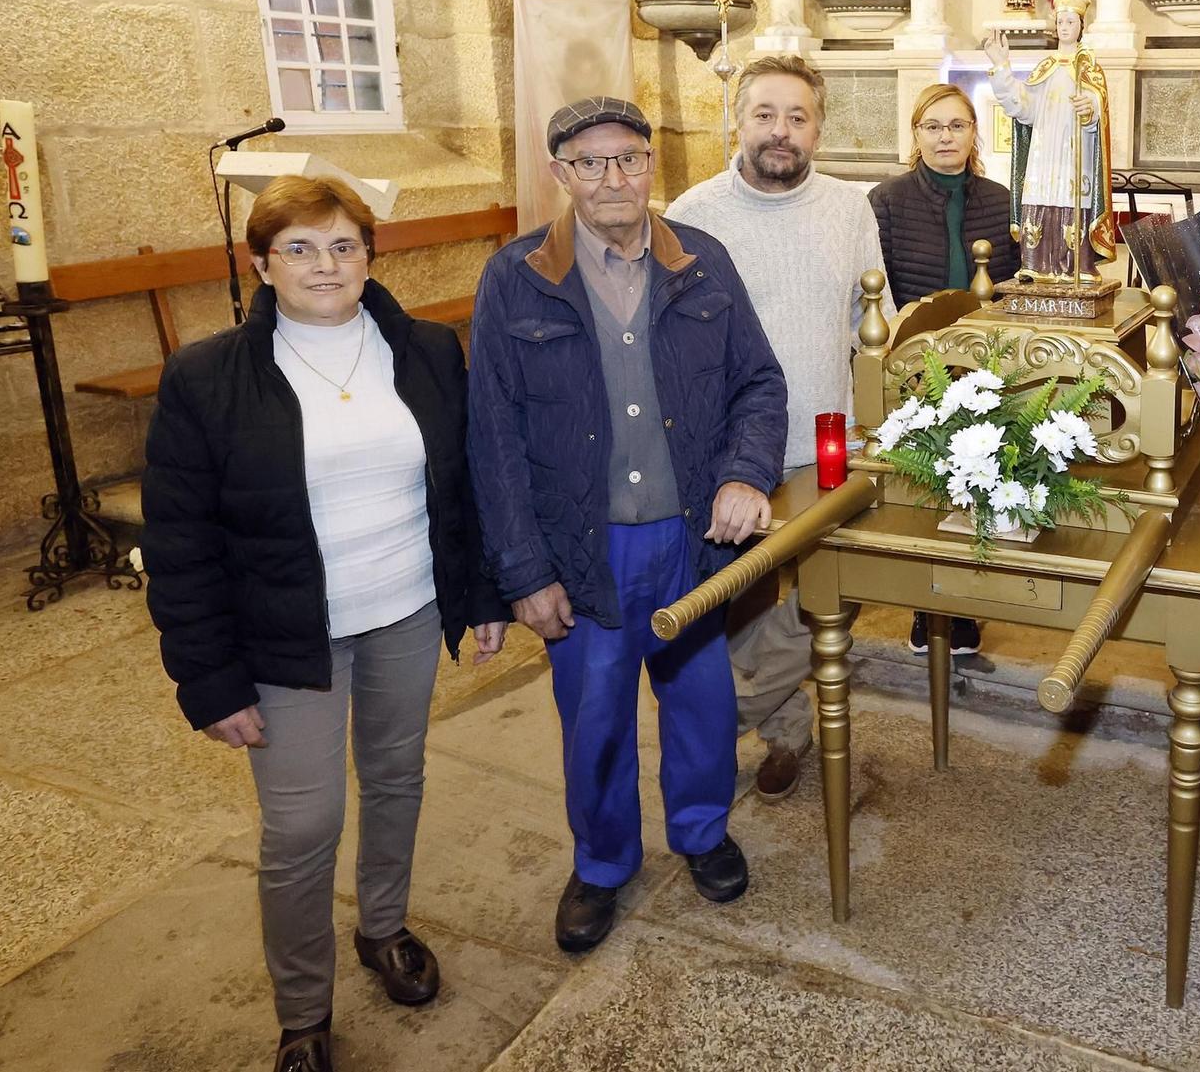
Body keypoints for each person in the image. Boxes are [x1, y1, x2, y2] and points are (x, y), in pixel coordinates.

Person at [143, 176, 495, 1072]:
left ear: (370, 256)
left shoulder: (423, 350)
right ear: (260, 263)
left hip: (405, 607)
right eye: (299, 248)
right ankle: (304, 1011)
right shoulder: (205, 376)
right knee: (301, 826)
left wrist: (482, 594)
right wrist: (210, 679)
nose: (325, 265)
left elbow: (463, 487)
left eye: (342, 245)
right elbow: (180, 542)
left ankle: (384, 929)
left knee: (396, 777)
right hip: (282, 638)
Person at [467, 97, 787, 955]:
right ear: (561, 174)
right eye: (591, 162)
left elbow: (759, 383)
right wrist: (524, 572)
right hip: (583, 545)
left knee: (702, 702)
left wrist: (746, 472)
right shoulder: (516, 276)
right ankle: (602, 862)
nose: (614, 178)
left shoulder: (703, 262)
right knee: (596, 717)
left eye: (630, 159)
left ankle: (703, 829)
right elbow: (491, 436)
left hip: (688, 537)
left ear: (653, 165)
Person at [667, 56, 894, 802]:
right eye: (765, 113)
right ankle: (787, 727)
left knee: (830, 598)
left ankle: (725, 717)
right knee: (735, 604)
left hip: (835, 447)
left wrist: (879, 428)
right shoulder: (693, 214)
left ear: (820, 129)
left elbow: (878, 327)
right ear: (737, 121)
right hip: (736, 456)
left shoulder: (849, 208)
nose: (780, 131)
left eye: (797, 117)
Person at [868, 83, 1020, 658]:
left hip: (987, 361)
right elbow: (876, 285)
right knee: (928, 491)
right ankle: (928, 611)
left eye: (956, 126)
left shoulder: (1000, 198)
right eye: (933, 126)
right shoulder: (887, 200)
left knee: (982, 484)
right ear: (916, 134)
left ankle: (970, 608)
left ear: (974, 132)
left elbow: (1016, 279)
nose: (945, 137)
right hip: (917, 365)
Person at [982, 0, 1116, 280]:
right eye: (1061, 21)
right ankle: (1036, 265)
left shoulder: (1089, 68)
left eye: (1071, 20)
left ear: (1081, 26)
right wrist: (1002, 66)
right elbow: (1022, 107)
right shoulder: (1046, 68)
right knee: (1041, 196)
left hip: (1073, 152)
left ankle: (1074, 268)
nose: (1065, 26)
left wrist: (1092, 109)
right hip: (1044, 156)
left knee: (1071, 198)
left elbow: (1099, 106)